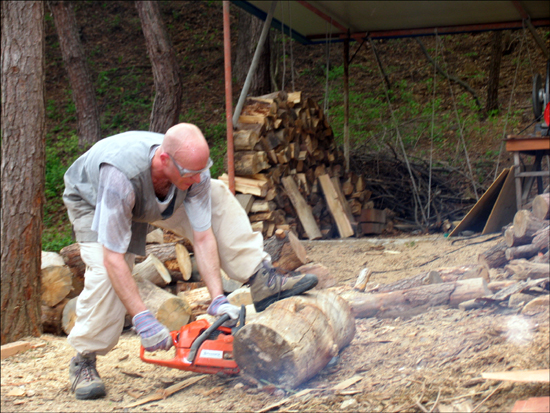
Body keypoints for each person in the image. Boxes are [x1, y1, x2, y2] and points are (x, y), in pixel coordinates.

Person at [62, 123, 318, 400]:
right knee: (104, 272)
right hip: (94, 200)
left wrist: (218, 299)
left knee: (217, 195)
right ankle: (84, 358)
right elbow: (114, 258)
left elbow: (203, 236)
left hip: (158, 190)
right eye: (191, 173)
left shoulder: (192, 171)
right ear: (164, 160)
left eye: (201, 170)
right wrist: (143, 317)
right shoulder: (119, 179)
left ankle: (261, 278)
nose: (197, 179)